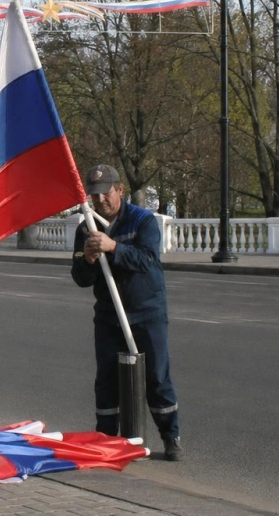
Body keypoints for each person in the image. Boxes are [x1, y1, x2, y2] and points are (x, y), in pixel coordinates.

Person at [70, 165, 181, 461]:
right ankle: (106, 440)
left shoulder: (142, 220)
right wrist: (91, 259)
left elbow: (148, 261)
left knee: (156, 376)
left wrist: (114, 247)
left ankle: (171, 437)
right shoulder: (86, 228)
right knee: (107, 379)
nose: (100, 199)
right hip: (109, 315)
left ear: (120, 190)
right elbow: (80, 277)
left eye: (106, 192)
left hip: (146, 311)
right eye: (94, 194)